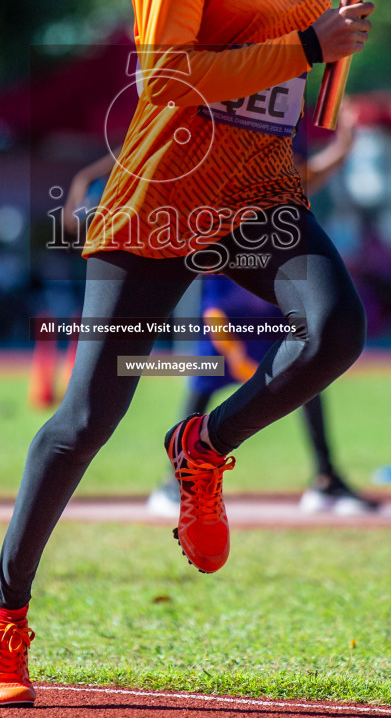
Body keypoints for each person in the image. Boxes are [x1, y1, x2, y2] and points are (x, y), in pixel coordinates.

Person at [0, 0, 373, 707]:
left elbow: (292, 38)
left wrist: (330, 51)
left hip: (261, 187)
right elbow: (168, 77)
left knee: (339, 331)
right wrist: (310, 44)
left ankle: (202, 445)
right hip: (167, 191)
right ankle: (4, 613)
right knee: (81, 424)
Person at [144, 106, 378, 516]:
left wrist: (338, 149)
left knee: (305, 368)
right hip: (239, 268)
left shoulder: (285, 102)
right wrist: (341, 151)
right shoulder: (248, 95)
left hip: (271, 269)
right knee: (209, 371)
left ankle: (325, 477)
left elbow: (295, 179)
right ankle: (175, 480)